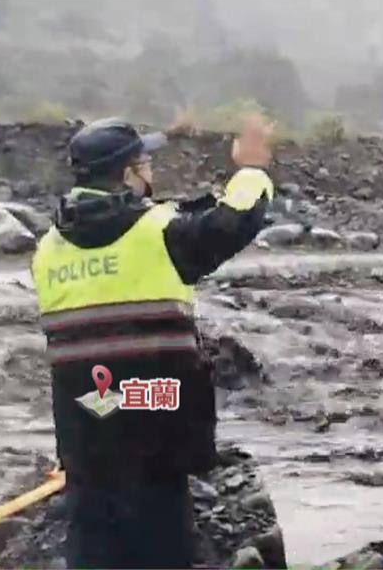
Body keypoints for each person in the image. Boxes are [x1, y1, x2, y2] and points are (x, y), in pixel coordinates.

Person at [30, 112, 275, 569]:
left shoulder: (48, 249)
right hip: (155, 444)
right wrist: (251, 169)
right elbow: (232, 221)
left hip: (85, 447)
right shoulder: (161, 234)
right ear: (127, 175)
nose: (151, 172)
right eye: (145, 164)